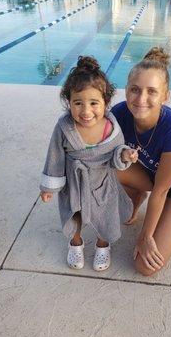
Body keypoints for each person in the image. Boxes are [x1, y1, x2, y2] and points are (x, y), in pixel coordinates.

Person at [40, 56, 138, 272]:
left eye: (94, 103)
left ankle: (103, 244)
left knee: (105, 215)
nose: (86, 111)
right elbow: (55, 155)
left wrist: (125, 155)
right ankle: (76, 243)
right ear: (69, 102)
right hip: (74, 183)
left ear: (105, 102)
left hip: (103, 183)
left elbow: (116, 153)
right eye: (78, 103)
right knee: (74, 214)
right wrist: (49, 187)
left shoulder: (111, 128)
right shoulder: (64, 127)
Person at [111, 47, 171, 276]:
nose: (141, 99)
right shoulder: (119, 114)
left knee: (145, 266)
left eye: (152, 91)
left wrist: (145, 236)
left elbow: (161, 191)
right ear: (126, 90)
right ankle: (137, 193)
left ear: (165, 95)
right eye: (135, 90)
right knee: (103, 166)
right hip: (148, 173)